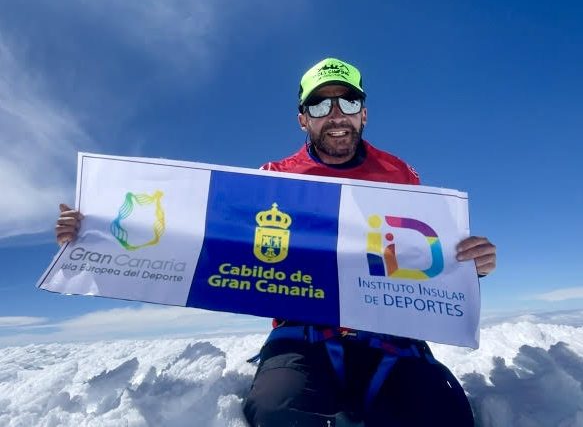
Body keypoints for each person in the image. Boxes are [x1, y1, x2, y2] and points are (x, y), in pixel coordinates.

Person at [55, 58, 496, 427]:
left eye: (348, 100)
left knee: (442, 414)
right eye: (320, 104)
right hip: (302, 338)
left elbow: (420, 252)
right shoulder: (273, 179)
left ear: (364, 112)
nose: (336, 114)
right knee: (276, 412)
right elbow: (202, 233)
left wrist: (465, 264)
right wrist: (95, 229)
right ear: (303, 118)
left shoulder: (399, 175)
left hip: (390, 336)